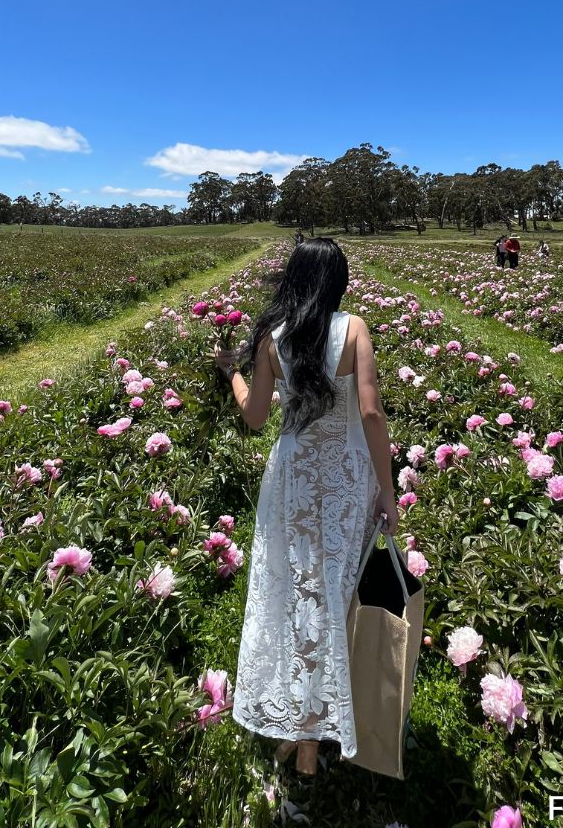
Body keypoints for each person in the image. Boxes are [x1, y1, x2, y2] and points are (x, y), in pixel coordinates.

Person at [214, 237, 398, 777]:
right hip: (344, 474)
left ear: (294, 279)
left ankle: (306, 731)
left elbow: (254, 416)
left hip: (292, 475)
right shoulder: (354, 329)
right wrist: (387, 491)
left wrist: (232, 374)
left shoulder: (274, 338)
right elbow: (370, 415)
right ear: (337, 282)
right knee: (335, 592)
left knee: (294, 591)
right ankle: (316, 733)